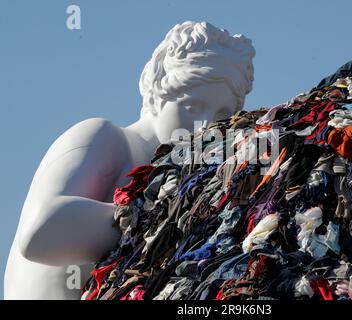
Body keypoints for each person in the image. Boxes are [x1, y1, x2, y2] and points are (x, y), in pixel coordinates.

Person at [4, 21, 255, 299]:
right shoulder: (105, 137)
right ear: (157, 93)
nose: (204, 126)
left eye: (221, 117)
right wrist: (168, 217)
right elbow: (41, 233)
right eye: (192, 106)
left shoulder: (191, 177)